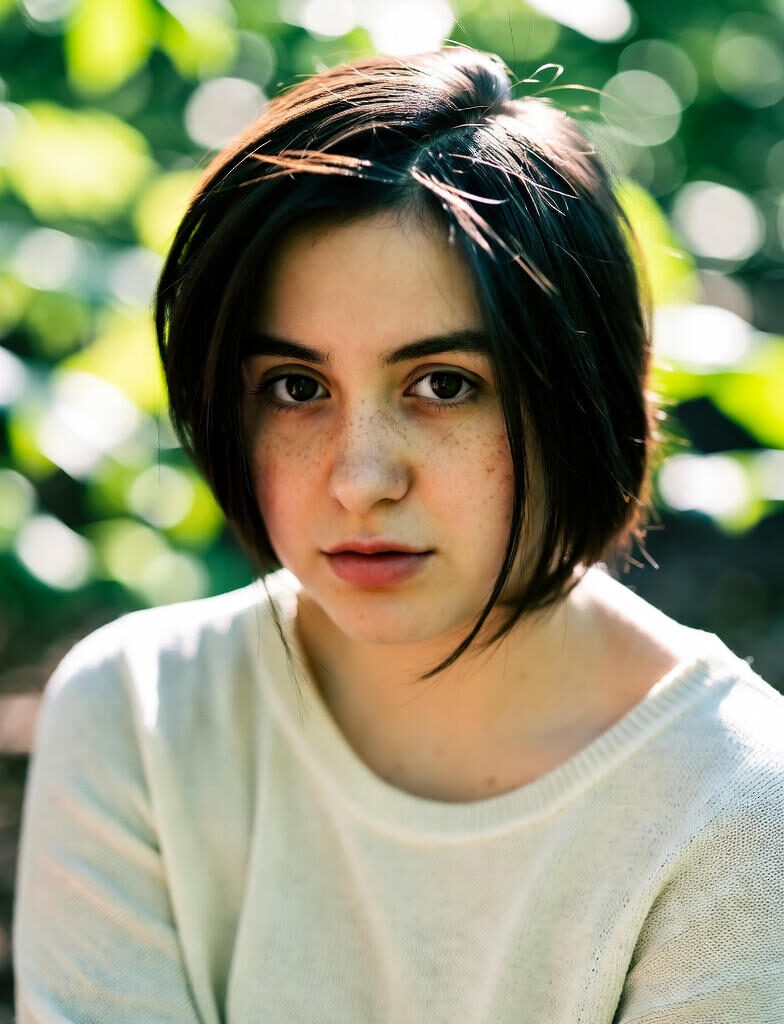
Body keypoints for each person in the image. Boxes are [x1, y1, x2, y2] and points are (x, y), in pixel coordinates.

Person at [12, 45, 784, 1023]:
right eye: (295, 389)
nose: (360, 478)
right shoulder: (143, 717)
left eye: (443, 385)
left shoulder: (736, 812)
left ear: (579, 393)